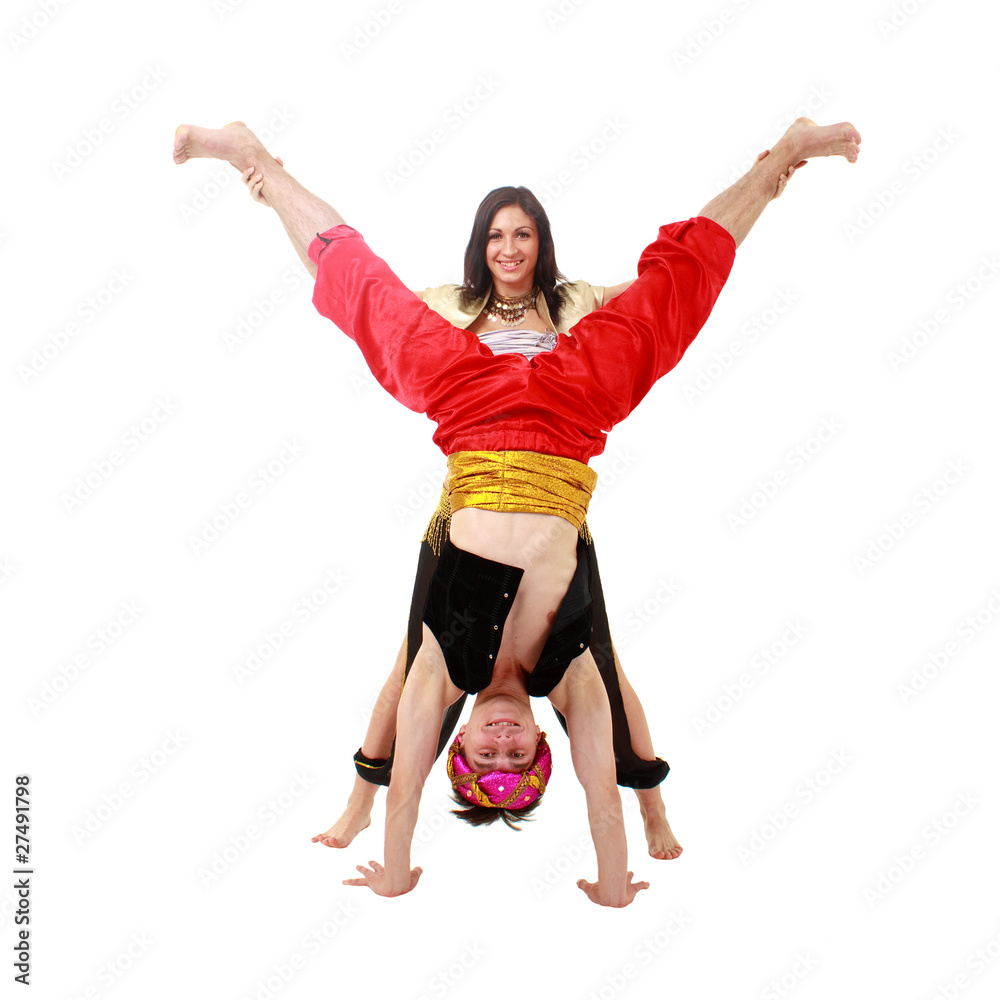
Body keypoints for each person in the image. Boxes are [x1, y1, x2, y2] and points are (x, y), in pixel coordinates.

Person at [173, 116, 861, 906]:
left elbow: (407, 784)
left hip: (470, 412)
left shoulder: (442, 667)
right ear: (544, 742)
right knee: (681, 284)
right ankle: (781, 158)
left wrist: (394, 869)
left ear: (456, 739)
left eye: (483, 756)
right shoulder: (568, 675)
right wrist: (614, 881)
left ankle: (256, 161)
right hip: (571, 415)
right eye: (516, 757)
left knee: (359, 288)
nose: (501, 743)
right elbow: (600, 797)